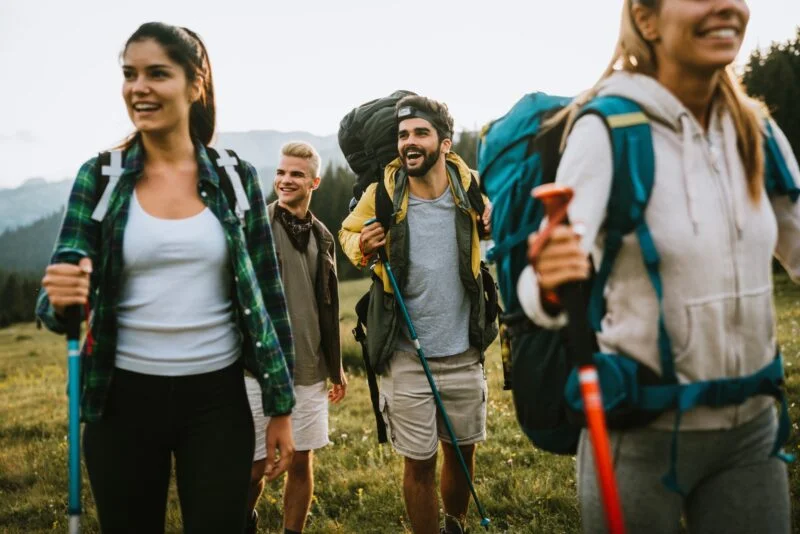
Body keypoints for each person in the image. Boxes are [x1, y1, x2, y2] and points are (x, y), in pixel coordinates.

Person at [517, 1, 800, 532]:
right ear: (646, 20)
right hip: (640, 433)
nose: (727, 7)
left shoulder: (757, 131)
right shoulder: (609, 129)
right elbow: (540, 288)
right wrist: (552, 279)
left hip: (753, 431)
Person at [36, 22, 295, 533]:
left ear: (195, 84)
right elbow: (59, 299)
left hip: (217, 402)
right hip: (121, 402)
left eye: (157, 73)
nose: (139, 87)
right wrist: (62, 294)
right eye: (130, 74)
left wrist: (280, 408)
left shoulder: (234, 177)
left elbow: (269, 296)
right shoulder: (102, 176)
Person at [339, 95, 496, 534]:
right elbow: (347, 233)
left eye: (420, 134)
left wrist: (493, 216)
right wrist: (362, 246)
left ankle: (455, 525)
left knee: (463, 455)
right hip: (406, 351)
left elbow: (501, 216)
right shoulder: (382, 193)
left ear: (444, 143)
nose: (409, 142)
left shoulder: (473, 188)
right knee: (419, 461)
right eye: (403, 134)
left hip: (464, 347)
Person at [245, 142, 347, 534]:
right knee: (256, 464)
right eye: (281, 173)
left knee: (301, 462)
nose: (286, 180)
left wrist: (335, 367)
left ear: (314, 182)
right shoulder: (257, 225)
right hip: (259, 369)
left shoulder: (323, 237)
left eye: (297, 175)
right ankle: (242, 521)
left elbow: (328, 306)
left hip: (308, 369)